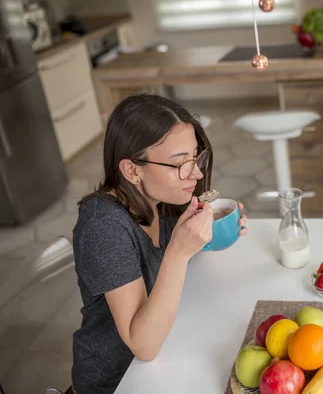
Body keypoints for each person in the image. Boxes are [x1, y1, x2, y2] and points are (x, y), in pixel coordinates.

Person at [71, 94, 248, 394]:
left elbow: (168, 263)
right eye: (180, 163)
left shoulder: (160, 199)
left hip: (170, 352)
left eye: (196, 157)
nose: (197, 173)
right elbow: (144, 345)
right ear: (132, 170)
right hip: (118, 382)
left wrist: (210, 233)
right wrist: (178, 254)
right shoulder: (103, 227)